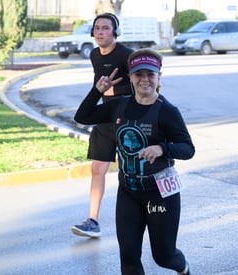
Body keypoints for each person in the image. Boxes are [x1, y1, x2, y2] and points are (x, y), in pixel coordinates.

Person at [74, 48, 194, 274]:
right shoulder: (120, 105)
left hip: (161, 194)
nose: (145, 80)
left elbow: (188, 149)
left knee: (164, 256)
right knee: (128, 256)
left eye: (150, 74)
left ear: (159, 77)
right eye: (139, 74)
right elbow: (82, 117)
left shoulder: (167, 111)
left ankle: (183, 267)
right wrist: (96, 91)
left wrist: (162, 148)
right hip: (129, 192)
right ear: (131, 77)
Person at [71, 13, 134, 237]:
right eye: (97, 28)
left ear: (114, 32)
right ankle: (92, 221)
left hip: (128, 120)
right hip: (106, 117)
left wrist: (114, 90)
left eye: (105, 28)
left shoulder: (128, 55)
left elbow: (143, 84)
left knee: (132, 172)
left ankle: (141, 216)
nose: (100, 32)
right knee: (97, 168)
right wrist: (101, 92)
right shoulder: (95, 55)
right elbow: (99, 84)